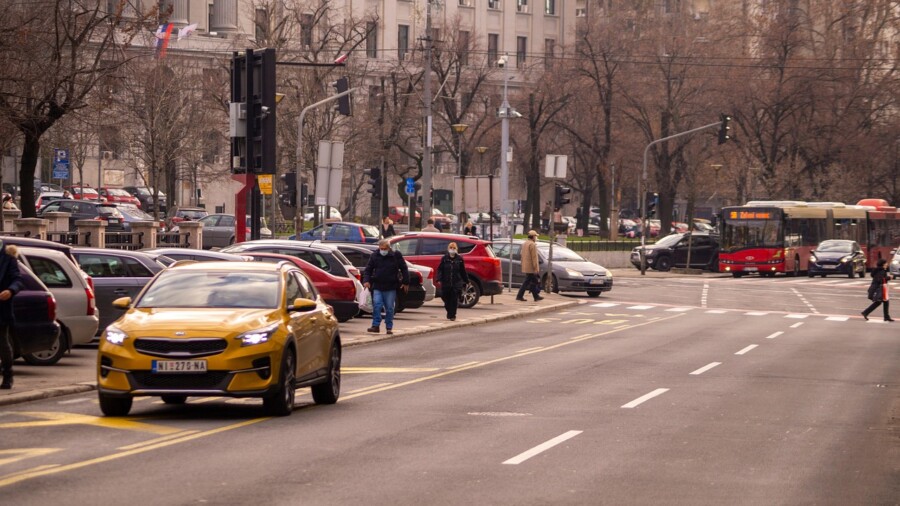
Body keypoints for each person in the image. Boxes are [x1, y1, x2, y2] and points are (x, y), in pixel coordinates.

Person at [363, 239, 410, 335]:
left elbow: (404, 268)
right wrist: (366, 281)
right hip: (378, 285)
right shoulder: (375, 256)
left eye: (385, 248)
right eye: (381, 248)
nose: (383, 250)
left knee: (389, 308)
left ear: (389, 248)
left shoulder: (395, 255)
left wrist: (406, 282)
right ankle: (375, 325)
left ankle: (389, 326)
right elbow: (368, 269)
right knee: (377, 305)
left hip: (391, 286)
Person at [0, 241, 23, 389]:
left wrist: (11, 290)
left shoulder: (8, 257)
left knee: (2, 343)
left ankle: (7, 375)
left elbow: (18, 280)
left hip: (1, 307)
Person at [436, 241, 469, 321]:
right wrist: (439, 278)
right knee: (445, 297)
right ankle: (449, 311)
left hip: (456, 282)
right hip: (446, 282)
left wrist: (466, 280)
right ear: (448, 249)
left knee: (454, 299)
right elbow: (440, 269)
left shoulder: (459, 259)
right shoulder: (444, 258)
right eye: (451, 248)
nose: (452, 249)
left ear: (456, 249)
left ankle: (452, 315)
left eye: (454, 248)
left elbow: (462, 271)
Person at [516, 230, 544, 302]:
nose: (536, 238)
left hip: (526, 266)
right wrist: (536, 268)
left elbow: (522, 255)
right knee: (532, 281)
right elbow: (534, 258)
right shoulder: (532, 245)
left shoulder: (525, 243)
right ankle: (520, 296)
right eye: (536, 236)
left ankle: (535, 296)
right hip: (531, 267)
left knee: (530, 281)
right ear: (533, 237)